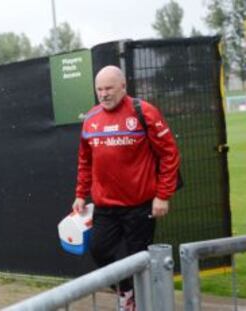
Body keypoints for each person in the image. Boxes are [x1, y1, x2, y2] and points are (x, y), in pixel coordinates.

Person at [72, 66, 180, 311]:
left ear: (123, 86)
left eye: (109, 88)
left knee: (136, 260)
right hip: (105, 207)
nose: (104, 94)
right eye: (99, 89)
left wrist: (163, 195)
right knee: (98, 251)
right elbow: (85, 161)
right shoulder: (90, 119)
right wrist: (80, 193)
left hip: (140, 207)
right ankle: (127, 292)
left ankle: (136, 302)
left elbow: (169, 154)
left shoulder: (144, 112)